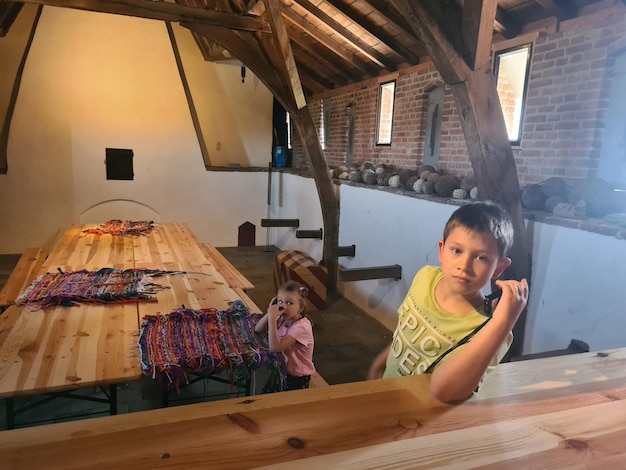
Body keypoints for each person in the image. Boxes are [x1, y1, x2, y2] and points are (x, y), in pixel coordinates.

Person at [368, 201, 529, 403]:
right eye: (457, 251)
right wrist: (379, 363)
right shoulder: (425, 278)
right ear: (442, 250)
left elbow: (443, 391)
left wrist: (503, 322)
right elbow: (404, 333)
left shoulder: (492, 331)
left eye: (481, 258)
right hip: (385, 394)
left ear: (499, 268)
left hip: (422, 418)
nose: (464, 266)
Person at [255, 280, 316, 391]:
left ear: (301, 308)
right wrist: (270, 312)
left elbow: (275, 348)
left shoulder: (301, 327)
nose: (284, 307)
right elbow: (258, 329)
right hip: (284, 370)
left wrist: (272, 319)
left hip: (297, 377)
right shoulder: (284, 319)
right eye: (280, 301)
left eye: (289, 303)